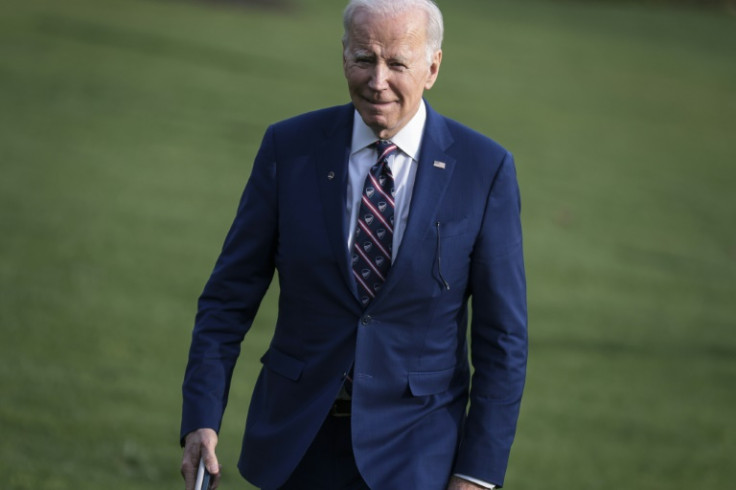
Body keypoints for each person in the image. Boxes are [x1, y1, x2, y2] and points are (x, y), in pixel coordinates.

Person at [180, 0, 527, 488]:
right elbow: (227, 300)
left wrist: (476, 474)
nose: (377, 80)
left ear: (433, 66)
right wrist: (201, 416)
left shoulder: (484, 170)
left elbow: (502, 342)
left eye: (397, 63)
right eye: (364, 58)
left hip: (417, 457)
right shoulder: (290, 149)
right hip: (295, 448)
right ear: (343, 55)